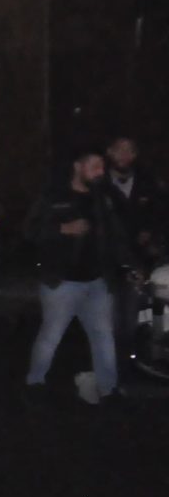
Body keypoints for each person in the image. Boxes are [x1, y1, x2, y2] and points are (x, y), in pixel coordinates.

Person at [23, 145, 137, 407]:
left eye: (102, 167)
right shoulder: (54, 195)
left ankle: (108, 389)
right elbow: (30, 230)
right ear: (78, 166)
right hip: (62, 281)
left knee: (102, 335)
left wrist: (128, 265)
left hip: (97, 281)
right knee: (51, 335)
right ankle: (35, 382)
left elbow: (116, 236)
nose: (100, 172)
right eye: (94, 166)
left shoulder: (103, 199)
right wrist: (62, 228)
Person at [103, 136, 165, 363]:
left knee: (131, 319)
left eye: (129, 151)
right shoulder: (99, 185)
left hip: (138, 262)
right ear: (110, 152)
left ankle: (129, 366)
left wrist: (150, 233)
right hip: (106, 263)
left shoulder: (148, 183)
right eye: (119, 150)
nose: (124, 155)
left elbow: (161, 215)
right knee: (107, 321)